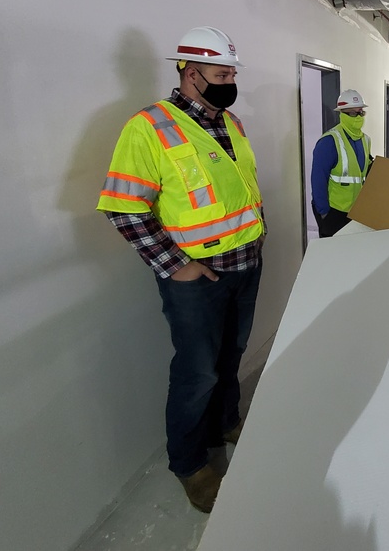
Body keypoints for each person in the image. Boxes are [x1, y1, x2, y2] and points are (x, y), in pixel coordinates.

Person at [97, 27, 264, 513]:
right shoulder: (149, 127)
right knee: (197, 374)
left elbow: (239, 193)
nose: (230, 81)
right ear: (190, 75)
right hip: (198, 279)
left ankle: (225, 423)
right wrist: (177, 266)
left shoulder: (231, 123)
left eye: (232, 72)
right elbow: (124, 208)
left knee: (230, 357)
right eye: (220, 74)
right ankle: (189, 464)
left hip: (245, 263)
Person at [311, 89, 372, 237]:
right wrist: (324, 213)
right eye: (352, 113)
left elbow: (364, 170)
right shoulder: (329, 141)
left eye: (361, 113)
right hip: (334, 211)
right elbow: (318, 180)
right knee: (334, 256)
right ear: (342, 113)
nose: (358, 117)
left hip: (356, 212)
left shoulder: (365, 139)